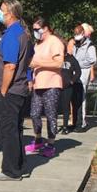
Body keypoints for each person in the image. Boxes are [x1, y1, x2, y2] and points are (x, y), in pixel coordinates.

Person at [0, 0, 32, 181]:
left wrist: (3, 90)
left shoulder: (13, 35)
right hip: (18, 89)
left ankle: (10, 170)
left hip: (10, 91)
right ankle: (18, 164)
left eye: (2, 10)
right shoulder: (21, 33)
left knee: (8, 131)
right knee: (15, 129)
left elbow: (10, 66)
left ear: (10, 13)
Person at [27, 17, 65, 158]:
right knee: (34, 113)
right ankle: (38, 138)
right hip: (38, 83)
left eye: (37, 29)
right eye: (34, 30)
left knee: (50, 114)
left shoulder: (54, 42)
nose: (35, 32)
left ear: (46, 28)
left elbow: (58, 63)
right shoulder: (38, 43)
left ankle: (51, 143)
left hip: (52, 83)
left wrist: (39, 63)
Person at [67, 22, 97, 130]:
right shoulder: (75, 44)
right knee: (74, 98)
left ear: (83, 33)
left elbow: (92, 60)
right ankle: (74, 122)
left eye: (79, 34)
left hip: (83, 73)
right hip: (75, 74)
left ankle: (82, 122)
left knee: (81, 98)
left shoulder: (90, 45)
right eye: (75, 35)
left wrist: (78, 64)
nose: (77, 37)